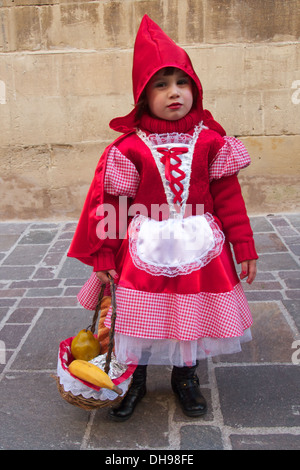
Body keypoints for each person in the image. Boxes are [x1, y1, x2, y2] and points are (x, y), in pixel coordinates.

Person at [68, 15, 258, 421]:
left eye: (182, 82)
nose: (175, 93)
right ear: (143, 95)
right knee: (137, 314)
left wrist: (243, 245)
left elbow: (229, 198)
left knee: (189, 313)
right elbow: (113, 204)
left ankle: (185, 377)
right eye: (161, 84)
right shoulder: (130, 148)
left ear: (195, 88)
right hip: (143, 248)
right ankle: (133, 376)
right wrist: (104, 255)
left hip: (200, 249)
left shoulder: (210, 141)